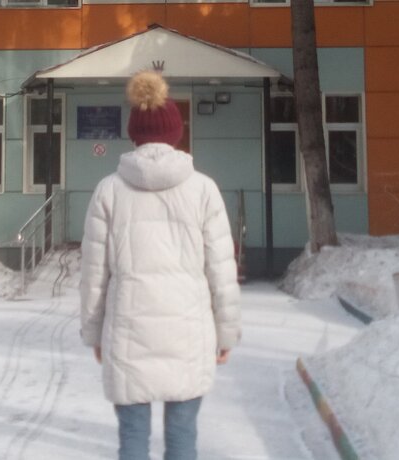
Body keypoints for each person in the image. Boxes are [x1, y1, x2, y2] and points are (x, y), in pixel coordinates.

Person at [79, 69, 242, 460]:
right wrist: (226, 333)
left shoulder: (108, 191)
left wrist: (94, 333)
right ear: (176, 134)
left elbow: (93, 274)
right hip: (188, 333)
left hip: (128, 332)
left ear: (133, 134)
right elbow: (222, 271)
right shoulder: (203, 189)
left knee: (133, 439)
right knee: (183, 438)